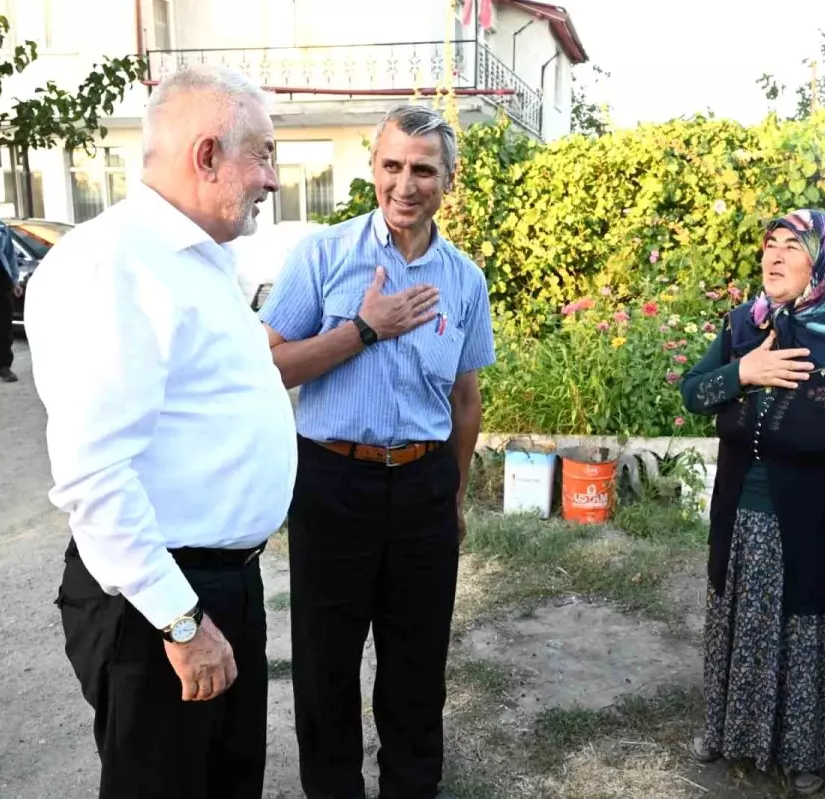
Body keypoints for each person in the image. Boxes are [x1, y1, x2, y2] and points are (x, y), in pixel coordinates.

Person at [23, 66, 295, 799]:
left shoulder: (199, 259)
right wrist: (181, 623)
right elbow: (95, 474)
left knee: (225, 784)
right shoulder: (111, 265)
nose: (272, 179)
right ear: (206, 155)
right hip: (160, 601)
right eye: (262, 155)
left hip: (219, 584)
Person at [259, 104, 494, 799]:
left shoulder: (464, 280)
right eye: (392, 166)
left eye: (423, 169)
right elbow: (271, 366)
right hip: (333, 480)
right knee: (326, 665)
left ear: (447, 180)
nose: (405, 183)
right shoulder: (322, 256)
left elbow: (465, 399)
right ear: (373, 169)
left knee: (418, 663)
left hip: (422, 482)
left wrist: (451, 496)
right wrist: (363, 328)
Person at [680, 209, 825, 794]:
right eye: (769, 244)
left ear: (824, 260)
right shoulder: (744, 325)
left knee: (813, 626)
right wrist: (746, 370)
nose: (774, 256)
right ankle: (730, 728)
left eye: (792, 246)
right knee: (744, 622)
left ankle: (809, 748)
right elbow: (693, 393)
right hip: (743, 514)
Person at [0, 218, 20, 382]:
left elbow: (10, 255)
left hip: (2, 282)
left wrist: (14, 282)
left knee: (4, 326)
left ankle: (4, 367)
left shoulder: (2, 228)